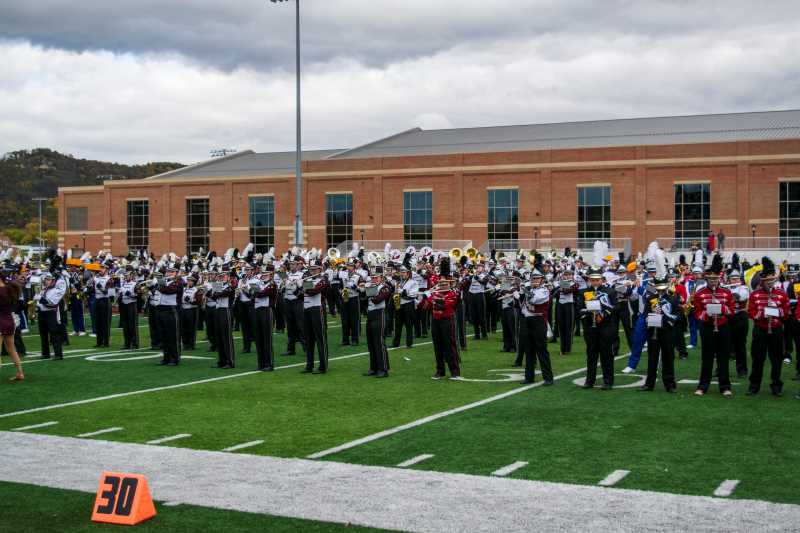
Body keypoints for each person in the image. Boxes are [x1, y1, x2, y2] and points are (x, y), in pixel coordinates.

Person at [692, 254, 734, 396]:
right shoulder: (700, 293)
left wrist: (722, 309)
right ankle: (703, 386)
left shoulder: (726, 293)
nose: (713, 281)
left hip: (723, 327)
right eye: (710, 279)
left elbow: (731, 311)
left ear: (719, 279)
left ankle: (725, 387)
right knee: (707, 357)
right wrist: (706, 314)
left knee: (723, 357)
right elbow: (697, 312)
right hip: (707, 327)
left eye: (715, 279)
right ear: (706, 279)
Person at [748, 257, 789, 396]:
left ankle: (776, 386)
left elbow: (786, 313)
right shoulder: (755, 294)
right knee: (758, 359)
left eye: (772, 280)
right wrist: (760, 313)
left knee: (776, 359)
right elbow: (751, 312)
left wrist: (778, 311)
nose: (770, 283)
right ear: (762, 281)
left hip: (776, 330)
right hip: (760, 329)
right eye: (767, 281)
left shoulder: (782, 294)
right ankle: (754, 386)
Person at [639, 271, 679, 393]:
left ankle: (670, 384)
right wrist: (650, 318)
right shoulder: (651, 298)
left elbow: (677, 316)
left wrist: (664, 315)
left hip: (667, 331)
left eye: (663, 288)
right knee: (652, 358)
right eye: (659, 288)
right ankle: (649, 384)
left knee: (668, 357)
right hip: (653, 331)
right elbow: (644, 314)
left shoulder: (673, 298)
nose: (661, 291)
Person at [578, 268, 617, 390]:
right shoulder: (583, 292)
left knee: (606, 354)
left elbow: (615, 308)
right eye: (592, 280)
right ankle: (590, 380)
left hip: (605, 326)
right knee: (591, 354)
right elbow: (579, 308)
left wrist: (603, 311)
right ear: (589, 280)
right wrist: (589, 313)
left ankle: (608, 381)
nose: (595, 282)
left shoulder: (610, 291)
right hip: (590, 326)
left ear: (602, 280)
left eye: (597, 280)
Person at [515, 269, 554, 386]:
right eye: (533, 279)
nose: (535, 281)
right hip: (528, 320)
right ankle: (529, 377)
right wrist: (518, 297)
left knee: (541, 350)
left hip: (539, 321)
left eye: (537, 279)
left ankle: (548, 378)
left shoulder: (544, 291)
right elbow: (522, 307)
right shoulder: (529, 290)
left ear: (542, 280)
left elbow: (535, 300)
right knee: (529, 350)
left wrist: (524, 293)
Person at [430, 260, 461, 380]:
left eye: (445, 284)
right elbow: (427, 305)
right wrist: (425, 297)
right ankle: (440, 371)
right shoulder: (436, 292)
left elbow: (444, 305)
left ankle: (455, 371)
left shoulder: (452, 294)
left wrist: (433, 299)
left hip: (447, 320)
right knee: (437, 346)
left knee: (449, 345)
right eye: (441, 284)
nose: (442, 286)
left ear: (449, 284)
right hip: (435, 320)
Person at [301, 261, 329, 374]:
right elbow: (299, 294)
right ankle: (309, 365)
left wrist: (303, 287)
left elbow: (314, 291)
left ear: (319, 270)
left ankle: (323, 366)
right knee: (309, 338)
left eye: (314, 269)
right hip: (307, 309)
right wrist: (293, 286)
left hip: (318, 309)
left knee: (320, 338)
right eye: (310, 269)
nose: (311, 271)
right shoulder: (307, 280)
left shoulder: (323, 280)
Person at [364, 266, 392, 378]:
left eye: (376, 277)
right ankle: (374, 368)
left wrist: (368, 293)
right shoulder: (371, 286)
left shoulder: (384, 287)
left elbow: (378, 299)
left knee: (379, 342)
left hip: (379, 314)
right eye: (373, 277)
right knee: (371, 343)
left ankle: (383, 369)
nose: (374, 279)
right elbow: (363, 298)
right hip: (370, 314)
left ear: (381, 278)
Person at [35, 272, 67, 361]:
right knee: (43, 335)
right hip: (42, 314)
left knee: (54, 334)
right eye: (46, 279)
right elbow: (41, 302)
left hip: (51, 314)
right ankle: (45, 353)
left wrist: (40, 299)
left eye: (48, 280)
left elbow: (52, 304)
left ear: (53, 281)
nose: (46, 281)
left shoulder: (56, 291)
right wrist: (37, 306)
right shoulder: (43, 289)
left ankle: (58, 354)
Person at [0, 271, 25, 381]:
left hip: (0, 321)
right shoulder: (9, 289)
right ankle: (20, 373)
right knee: (12, 349)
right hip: (9, 320)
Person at [252, 268, 277, 371]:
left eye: (266, 274)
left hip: (267, 310)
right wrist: (255, 291)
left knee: (267, 338)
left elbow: (262, 294)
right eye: (263, 274)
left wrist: (256, 291)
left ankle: (269, 364)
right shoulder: (259, 283)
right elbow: (252, 295)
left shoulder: (272, 284)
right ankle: (261, 363)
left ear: (271, 275)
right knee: (258, 338)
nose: (264, 275)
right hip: (257, 310)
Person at [392, 265, 417, 349]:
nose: (402, 274)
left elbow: (413, 294)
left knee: (408, 325)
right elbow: (396, 293)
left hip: (408, 305)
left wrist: (402, 292)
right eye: (401, 272)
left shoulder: (413, 282)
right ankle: (396, 343)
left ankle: (409, 343)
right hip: (399, 304)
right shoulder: (398, 282)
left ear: (408, 273)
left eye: (404, 272)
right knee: (397, 325)